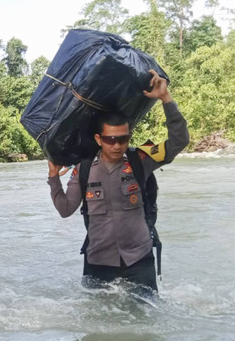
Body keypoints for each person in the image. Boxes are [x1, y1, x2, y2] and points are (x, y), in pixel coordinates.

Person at [47, 70, 189, 295]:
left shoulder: (140, 160)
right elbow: (65, 209)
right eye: (110, 139)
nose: (117, 145)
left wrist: (166, 99)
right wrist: (54, 178)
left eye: (123, 139)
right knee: (97, 324)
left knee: (146, 321)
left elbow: (179, 141)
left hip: (139, 260)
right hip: (98, 263)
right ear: (98, 139)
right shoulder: (83, 170)